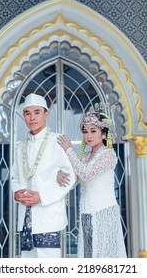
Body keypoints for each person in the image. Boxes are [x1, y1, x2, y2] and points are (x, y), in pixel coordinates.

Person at [11, 93, 76, 258]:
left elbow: (70, 177)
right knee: (28, 262)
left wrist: (42, 196)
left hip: (48, 214)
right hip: (25, 215)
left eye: (37, 112)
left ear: (46, 114)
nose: (32, 117)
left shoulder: (57, 141)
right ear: (24, 116)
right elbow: (15, 176)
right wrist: (17, 192)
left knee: (49, 264)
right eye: (27, 113)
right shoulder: (20, 146)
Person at [57, 107, 127, 258]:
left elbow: (86, 174)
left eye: (93, 131)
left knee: (104, 258)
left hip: (104, 213)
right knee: (88, 258)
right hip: (86, 214)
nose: (88, 135)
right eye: (85, 131)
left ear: (103, 133)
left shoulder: (108, 154)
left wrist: (69, 150)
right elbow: (74, 180)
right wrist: (60, 175)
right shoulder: (85, 156)